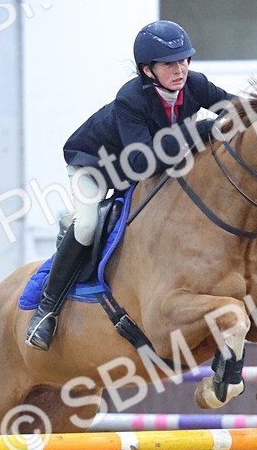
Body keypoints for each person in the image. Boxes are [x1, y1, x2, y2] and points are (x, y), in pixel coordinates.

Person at [25, 19, 233, 350]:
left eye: (185, 60)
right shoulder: (131, 99)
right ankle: (46, 311)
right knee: (88, 226)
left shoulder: (195, 85)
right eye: (169, 63)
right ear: (148, 70)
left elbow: (237, 111)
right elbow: (142, 161)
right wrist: (201, 129)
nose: (180, 69)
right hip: (94, 167)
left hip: (140, 173)